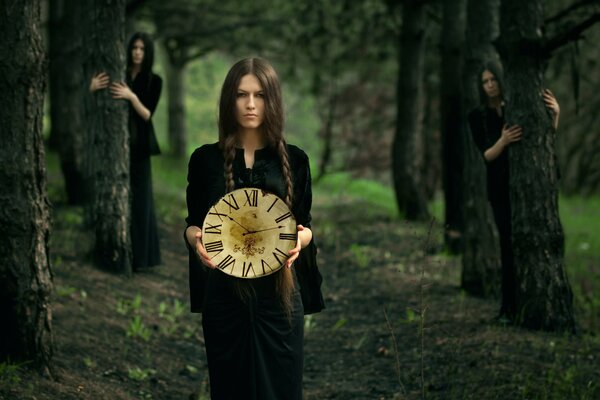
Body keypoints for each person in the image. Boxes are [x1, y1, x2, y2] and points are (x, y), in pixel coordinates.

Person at [183, 57, 325, 399]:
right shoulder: (204, 160)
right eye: (241, 94)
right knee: (230, 389)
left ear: (272, 100)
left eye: (259, 95)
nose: (250, 104)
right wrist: (194, 241)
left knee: (281, 390)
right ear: (228, 100)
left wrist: (301, 240)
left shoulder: (296, 159)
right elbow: (193, 224)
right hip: (224, 298)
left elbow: (306, 226)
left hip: (280, 297)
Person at [468, 61, 560, 321]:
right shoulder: (477, 116)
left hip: (530, 186)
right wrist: (504, 141)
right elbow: (486, 155)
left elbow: (542, 142)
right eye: (484, 82)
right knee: (508, 246)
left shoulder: (517, 107)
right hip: (499, 189)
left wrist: (555, 116)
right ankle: (507, 308)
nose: (489, 85)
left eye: (493, 80)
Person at [90, 32, 163, 271]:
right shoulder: (119, 73)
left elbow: (147, 114)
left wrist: (131, 97)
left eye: (142, 48)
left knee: (141, 201)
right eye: (134, 47)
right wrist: (92, 89)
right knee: (118, 198)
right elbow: (102, 103)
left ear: (148, 52)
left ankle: (142, 259)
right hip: (117, 148)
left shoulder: (154, 80)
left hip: (140, 148)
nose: (137, 52)